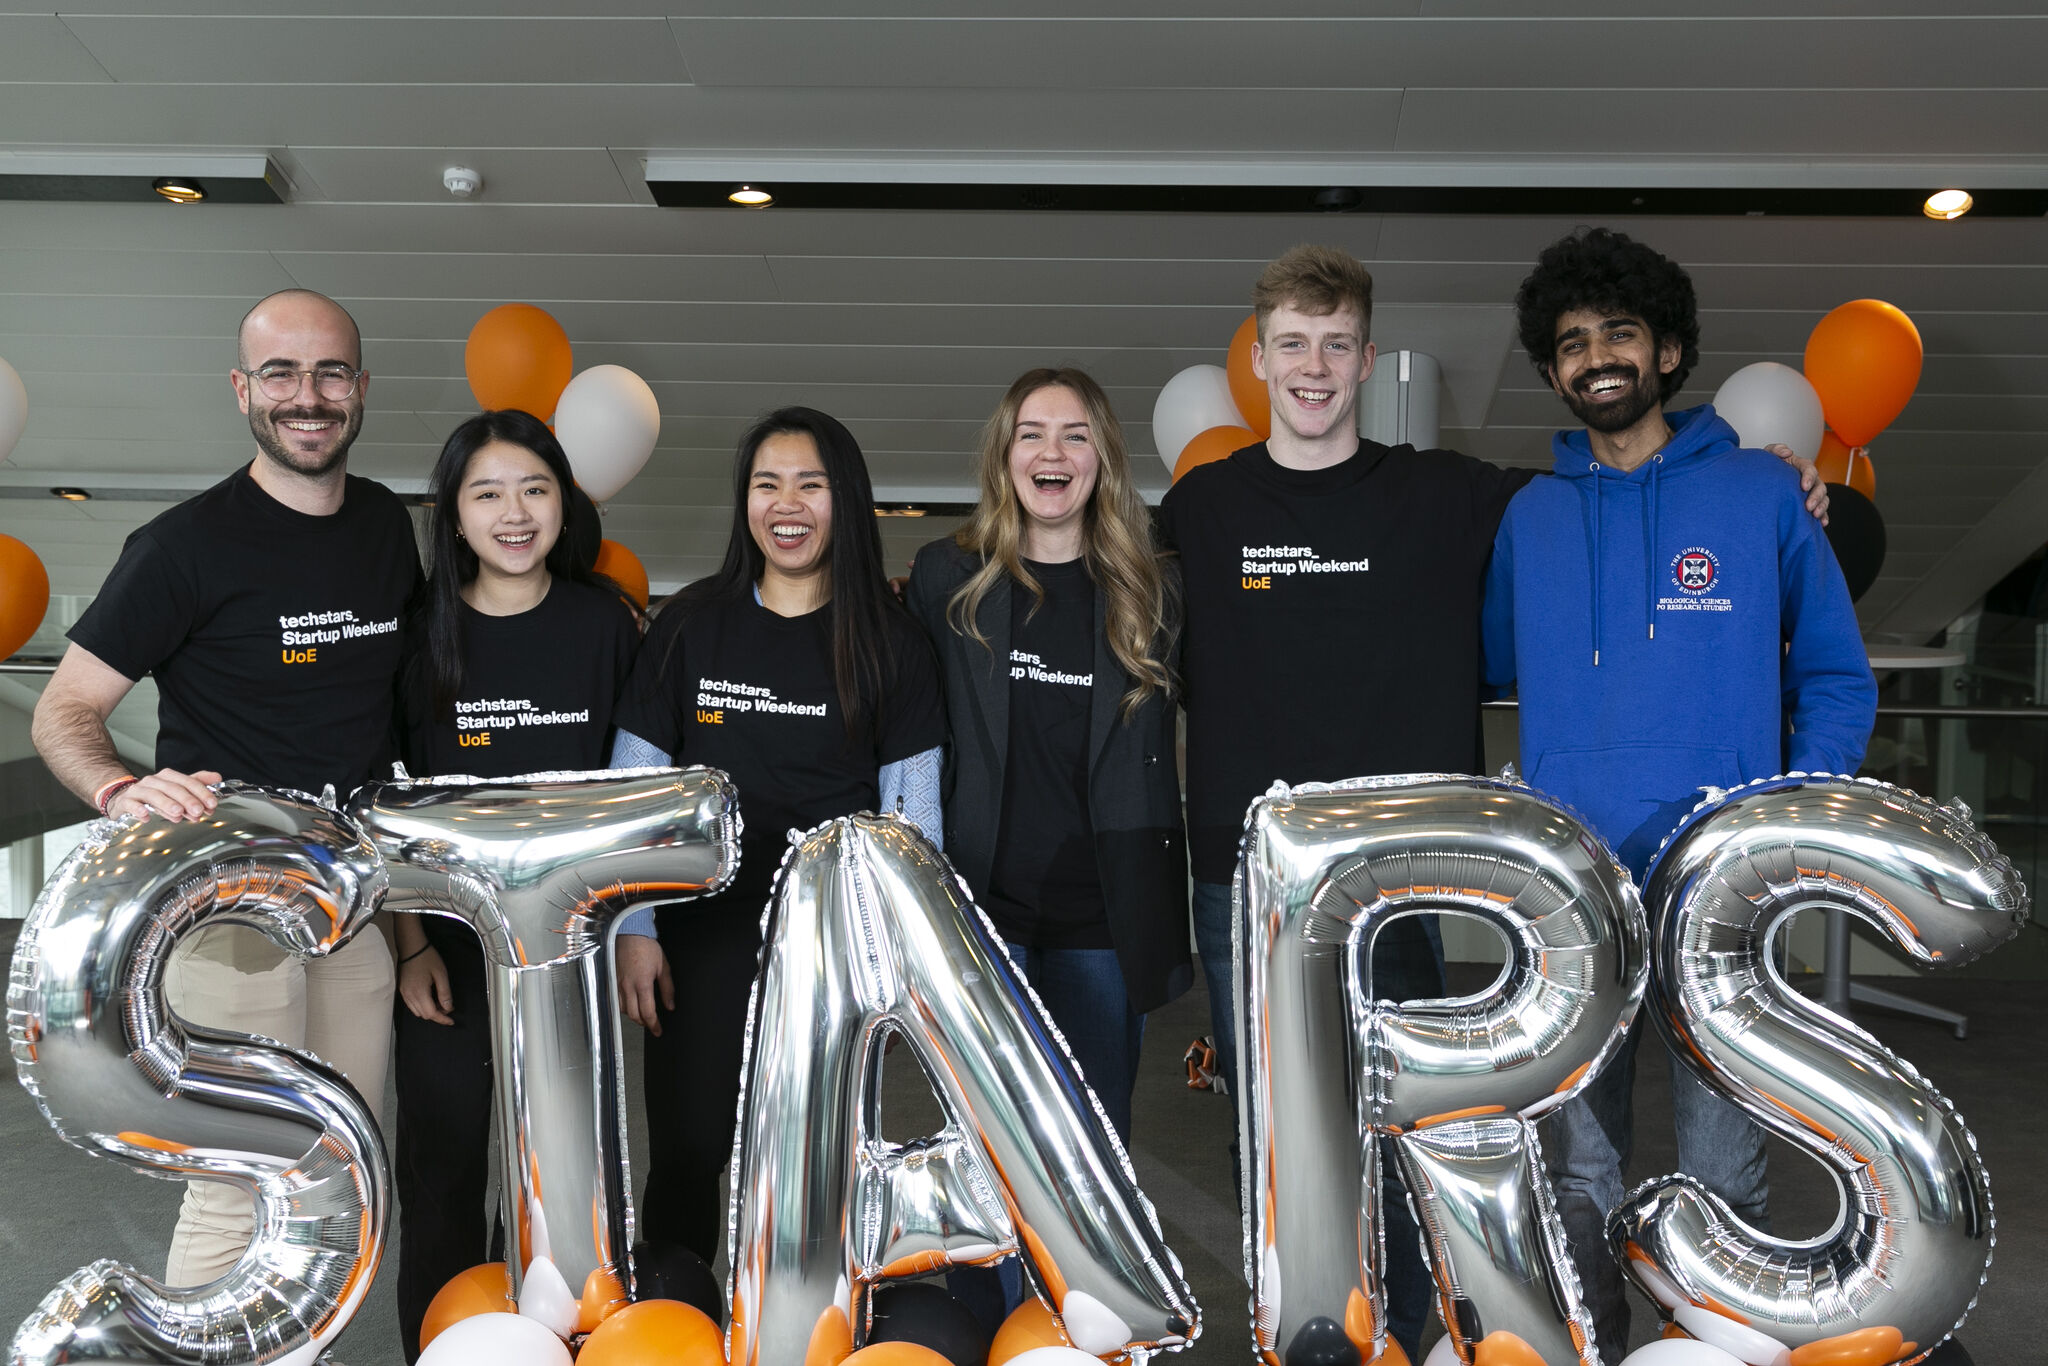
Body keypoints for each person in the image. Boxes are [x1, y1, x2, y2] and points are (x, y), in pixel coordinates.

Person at [1159, 245, 1830, 1360]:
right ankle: (1311, 1327)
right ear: (1259, 359)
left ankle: (1423, 1326)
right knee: (1272, 1136)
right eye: (1291, 345)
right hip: (1252, 879)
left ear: (1364, 359)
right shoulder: (1201, 504)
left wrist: (1764, 470)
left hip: (1401, 874)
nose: (1313, 367)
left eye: (1335, 345)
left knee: (1421, 1123)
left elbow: (1616, 484)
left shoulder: (1459, 492)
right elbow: (1099, 586)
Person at [1482, 227, 1876, 1363]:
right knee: (1577, 1165)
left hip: (1720, 890)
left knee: (1721, 1166)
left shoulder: (1758, 495)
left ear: (1666, 350)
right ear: (1550, 368)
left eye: (1617, 333)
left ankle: (1712, 1349)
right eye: (1569, 343)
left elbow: (1835, 679)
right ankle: (1595, 1348)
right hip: (1573, 896)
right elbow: (1492, 659)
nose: (1594, 357)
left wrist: (1784, 823)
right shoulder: (1529, 518)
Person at [29, 288, 419, 1285]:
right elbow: (63, 709)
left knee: (342, 1166)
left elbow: (385, 732)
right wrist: (120, 791)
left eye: (330, 372)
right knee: (245, 1172)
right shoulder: (180, 547)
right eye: (281, 373)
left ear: (361, 388)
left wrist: (409, 929)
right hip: (231, 916)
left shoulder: (383, 526)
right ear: (243, 389)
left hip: (350, 907)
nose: (308, 396)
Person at [606, 406, 945, 1263]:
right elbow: (635, 792)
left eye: (810, 484)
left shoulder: (893, 643)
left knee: (814, 1164)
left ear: (846, 501)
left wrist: (892, 966)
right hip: (696, 942)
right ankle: (676, 1327)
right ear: (744, 501)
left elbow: (915, 822)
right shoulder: (690, 625)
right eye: (767, 484)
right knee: (687, 1153)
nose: (786, 504)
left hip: (829, 951)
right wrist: (634, 929)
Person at [389, 409, 640, 1361]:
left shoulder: (603, 626)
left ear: (563, 503)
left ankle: (570, 1342)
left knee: (571, 1177)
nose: (514, 512)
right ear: (454, 515)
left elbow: (634, 789)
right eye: (486, 493)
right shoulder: (420, 636)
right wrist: (410, 949)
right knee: (447, 1175)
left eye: (534, 489)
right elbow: (394, 805)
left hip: (573, 955)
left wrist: (632, 933)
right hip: (447, 956)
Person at [905, 367, 1191, 1145]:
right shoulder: (947, 576)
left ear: (1103, 457)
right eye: (1031, 433)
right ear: (1005, 457)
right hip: (982, 911)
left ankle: (1086, 1281)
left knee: (1090, 1151)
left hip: (1105, 919)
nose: (1051, 451)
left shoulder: (1155, 588)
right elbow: (903, 731)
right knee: (982, 1151)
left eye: (1075, 433)